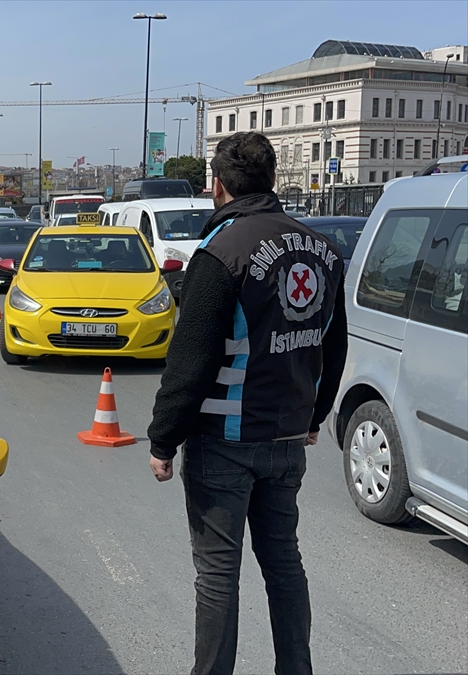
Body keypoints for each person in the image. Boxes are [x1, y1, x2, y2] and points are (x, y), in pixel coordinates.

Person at [147, 131, 347, 675]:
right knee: (284, 562)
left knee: (217, 574)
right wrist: (317, 413)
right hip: (287, 439)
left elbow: (190, 361)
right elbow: (333, 343)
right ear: (272, 180)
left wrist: (163, 438)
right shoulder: (323, 250)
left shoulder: (220, 253)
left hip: (225, 443)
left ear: (218, 186)